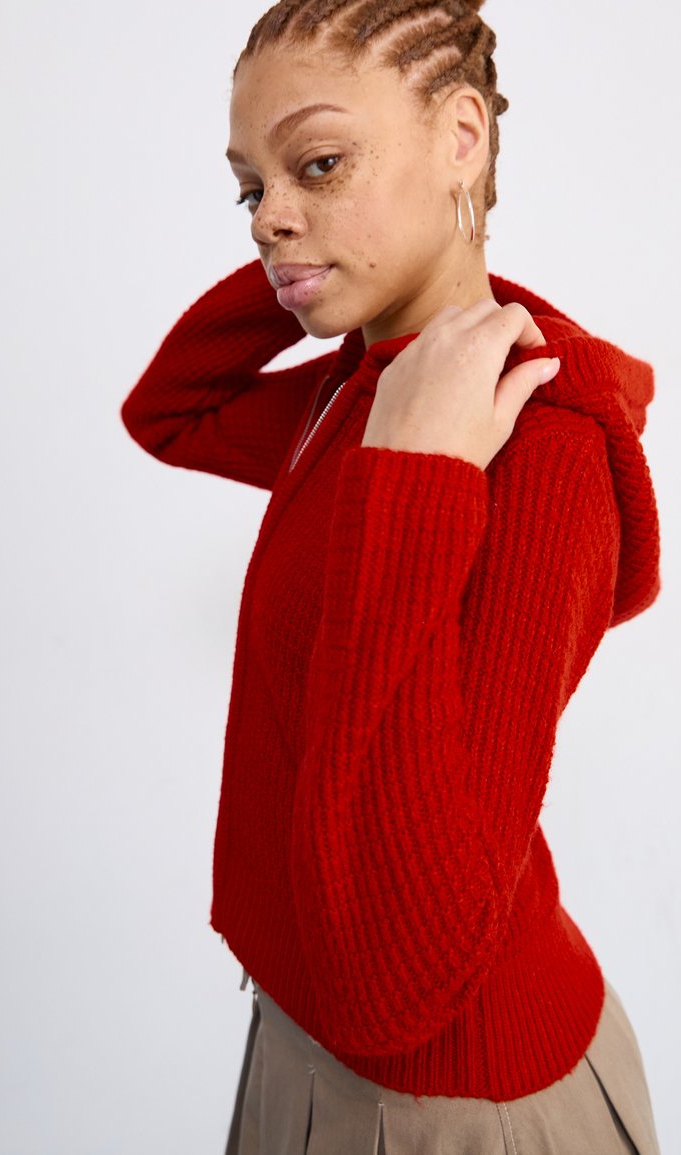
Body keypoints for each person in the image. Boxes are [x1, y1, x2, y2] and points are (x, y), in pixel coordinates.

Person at [120, 1, 663, 1151]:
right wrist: (319, 262)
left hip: (450, 1097)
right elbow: (171, 414)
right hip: (299, 1039)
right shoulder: (356, 385)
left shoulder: (543, 451)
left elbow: (401, 969)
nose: (267, 218)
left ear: (460, 138)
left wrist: (417, 477)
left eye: (318, 163)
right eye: (247, 188)